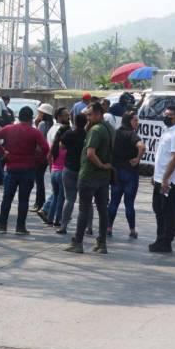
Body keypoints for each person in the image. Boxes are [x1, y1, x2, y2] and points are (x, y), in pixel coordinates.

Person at [0, 106, 49, 235]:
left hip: (11, 167)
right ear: (31, 118)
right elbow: (45, 148)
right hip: (28, 168)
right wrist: (37, 159)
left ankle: (2, 226)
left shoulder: (9, 129)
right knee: (24, 199)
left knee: (7, 198)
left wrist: (3, 152)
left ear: (19, 117)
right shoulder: (34, 132)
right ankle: (20, 227)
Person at [66, 102, 113, 254]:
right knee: (102, 209)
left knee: (83, 209)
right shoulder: (110, 128)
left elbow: (90, 154)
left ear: (99, 114)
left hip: (90, 174)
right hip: (103, 177)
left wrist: (101, 165)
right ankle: (102, 243)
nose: (87, 117)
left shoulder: (96, 130)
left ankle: (78, 242)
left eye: (90, 114)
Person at [148, 105, 175, 253]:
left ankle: (166, 241)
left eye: (170, 115)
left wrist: (165, 179)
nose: (166, 117)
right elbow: (161, 157)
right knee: (158, 209)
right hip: (159, 178)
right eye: (165, 114)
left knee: (167, 211)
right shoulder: (167, 131)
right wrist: (156, 176)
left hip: (168, 180)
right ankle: (160, 238)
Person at [107, 111, 143, 239]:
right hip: (130, 173)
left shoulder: (115, 133)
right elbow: (141, 146)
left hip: (116, 172)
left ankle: (109, 228)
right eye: (135, 120)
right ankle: (132, 230)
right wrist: (138, 158)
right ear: (129, 121)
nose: (137, 123)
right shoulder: (132, 134)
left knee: (114, 202)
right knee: (129, 203)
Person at [56, 111, 88, 235]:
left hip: (69, 168)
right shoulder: (88, 134)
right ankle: (88, 227)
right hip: (83, 169)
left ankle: (63, 226)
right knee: (86, 200)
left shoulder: (69, 133)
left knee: (69, 199)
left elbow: (61, 146)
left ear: (74, 121)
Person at [42, 107, 70, 227]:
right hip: (62, 171)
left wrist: (50, 167)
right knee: (61, 197)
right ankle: (57, 219)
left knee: (55, 194)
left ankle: (50, 217)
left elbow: (49, 154)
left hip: (54, 169)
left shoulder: (52, 133)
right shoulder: (65, 146)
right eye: (65, 115)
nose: (67, 118)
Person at [32, 103, 55, 213]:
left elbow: (39, 139)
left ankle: (39, 202)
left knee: (39, 179)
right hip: (48, 154)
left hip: (41, 154)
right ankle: (41, 202)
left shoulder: (42, 124)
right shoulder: (51, 124)